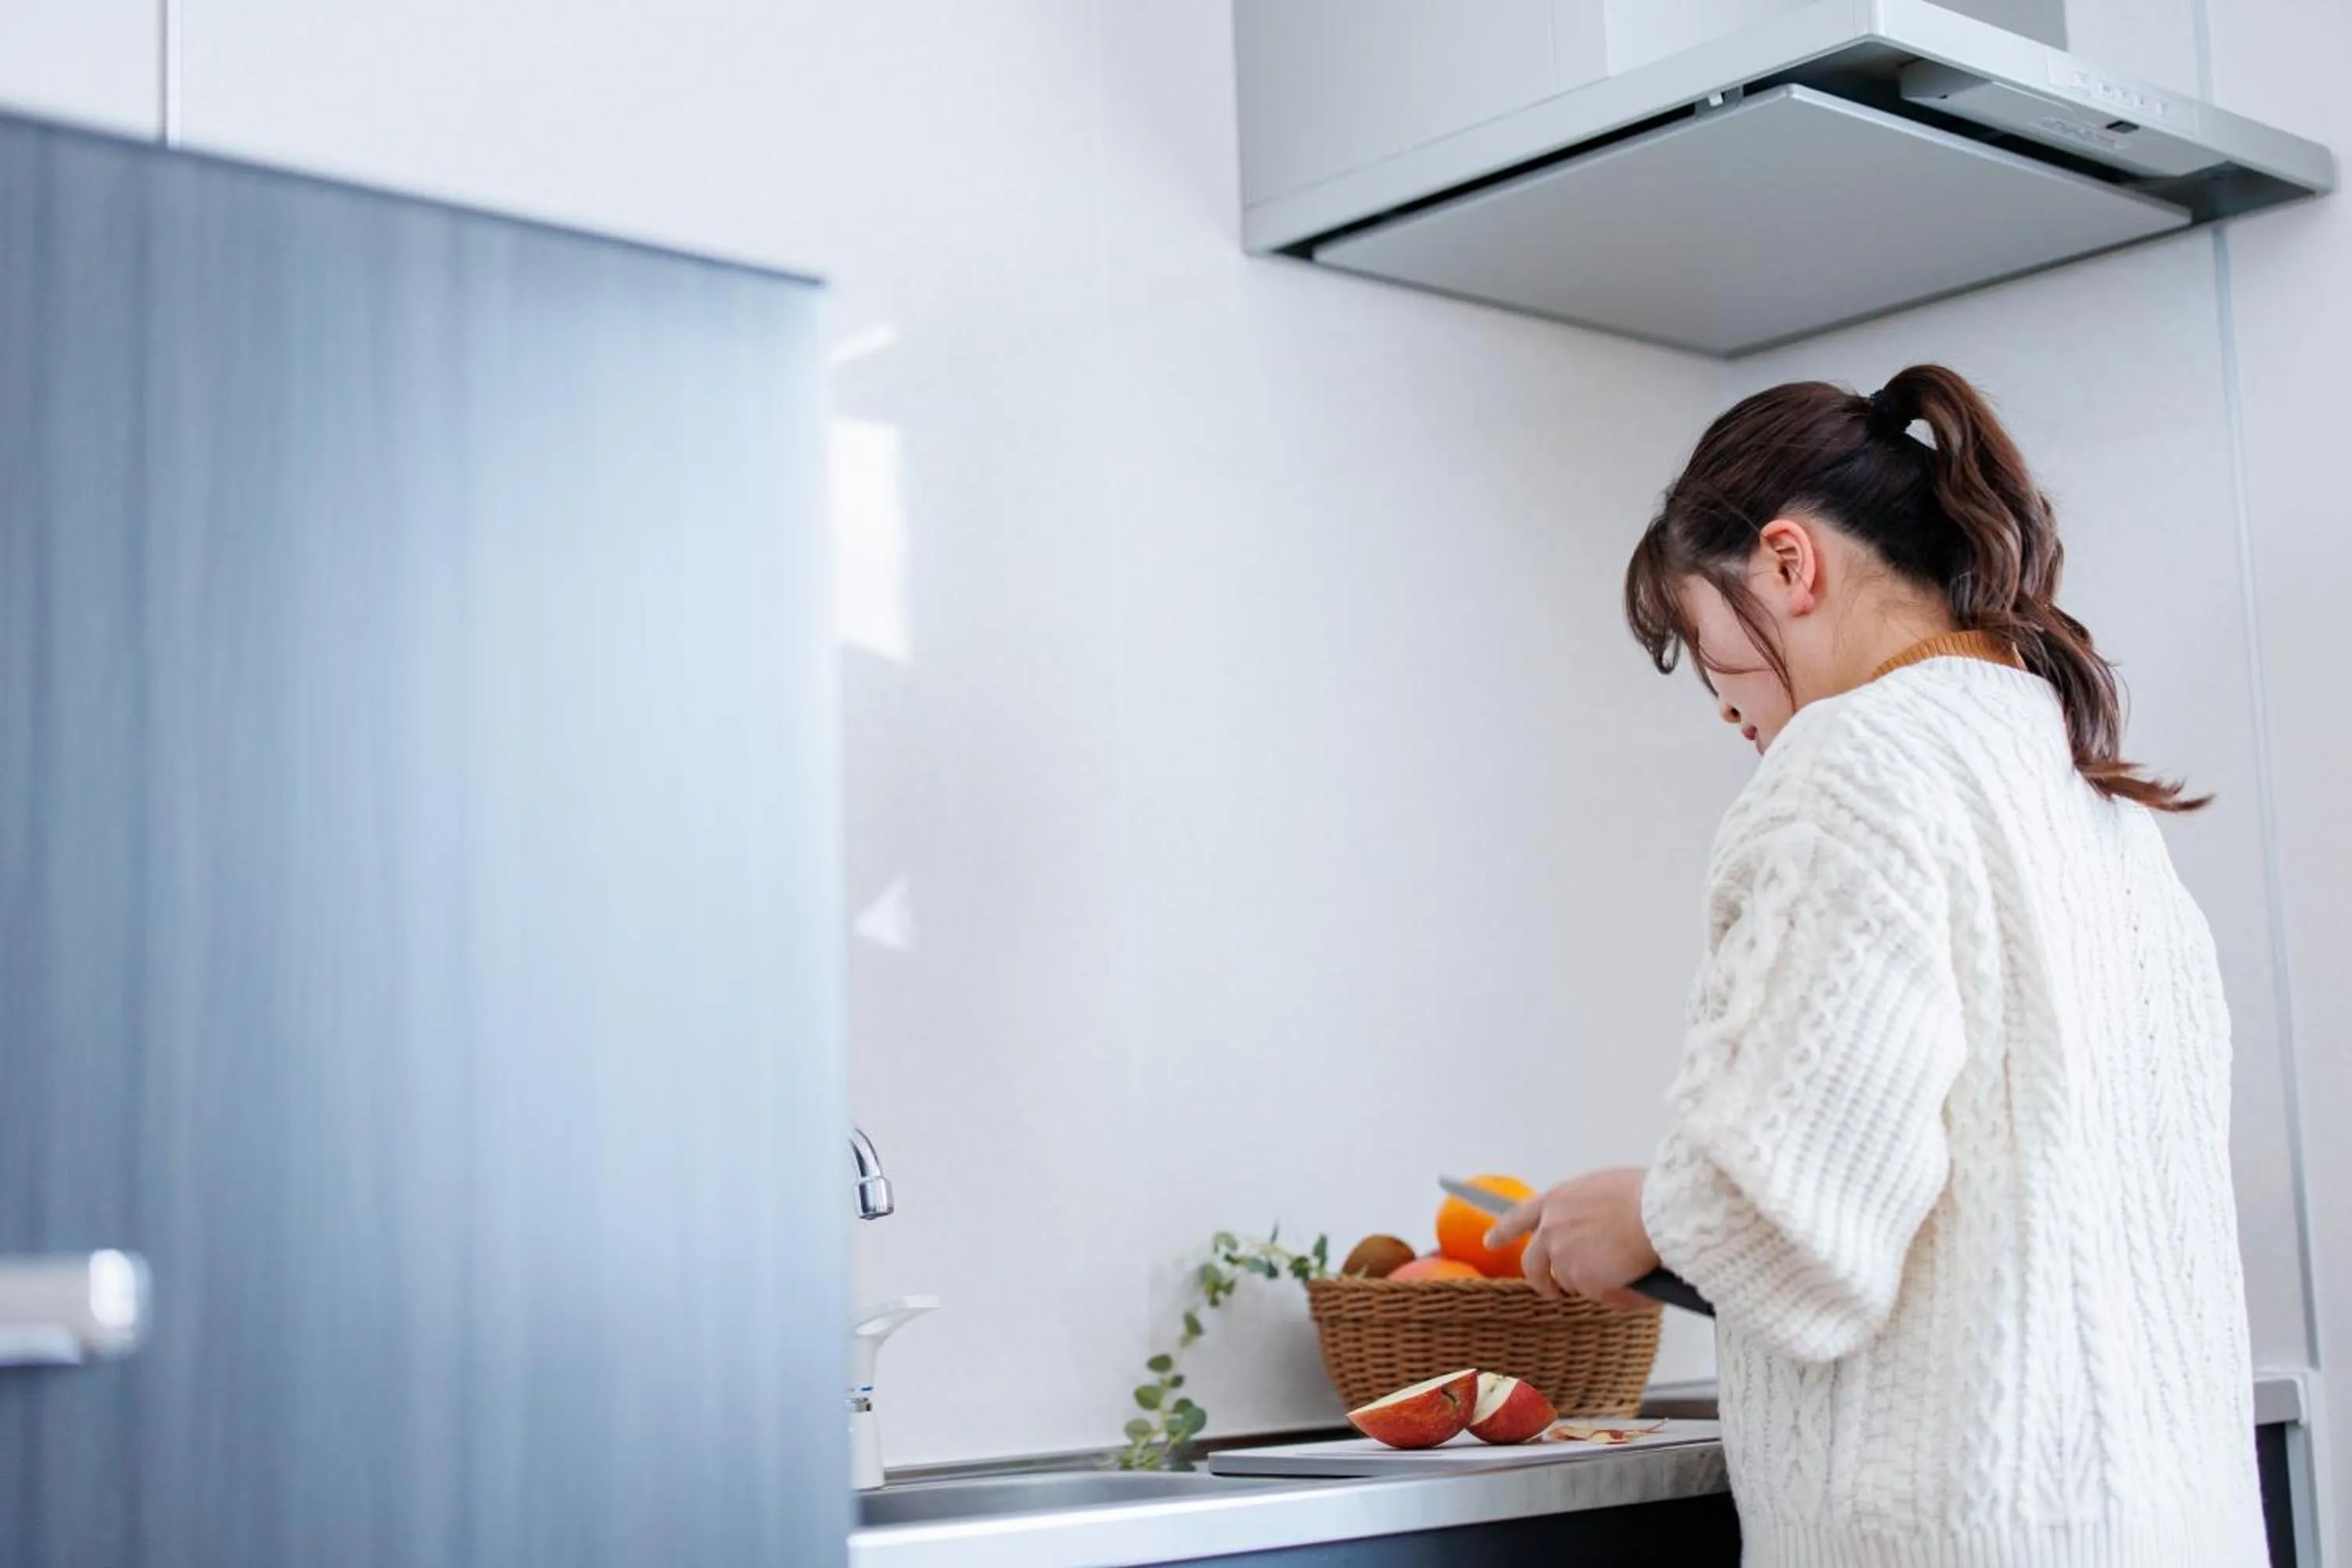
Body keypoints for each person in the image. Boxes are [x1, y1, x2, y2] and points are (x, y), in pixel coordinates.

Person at [1486, 365, 2265, 1566]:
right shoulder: (2089, 796)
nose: (1728, 709)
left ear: (1790, 566)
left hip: (1962, 1530)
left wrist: (1638, 1216)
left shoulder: (1849, 759)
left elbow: (1805, 1226)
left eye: (1710, 649)